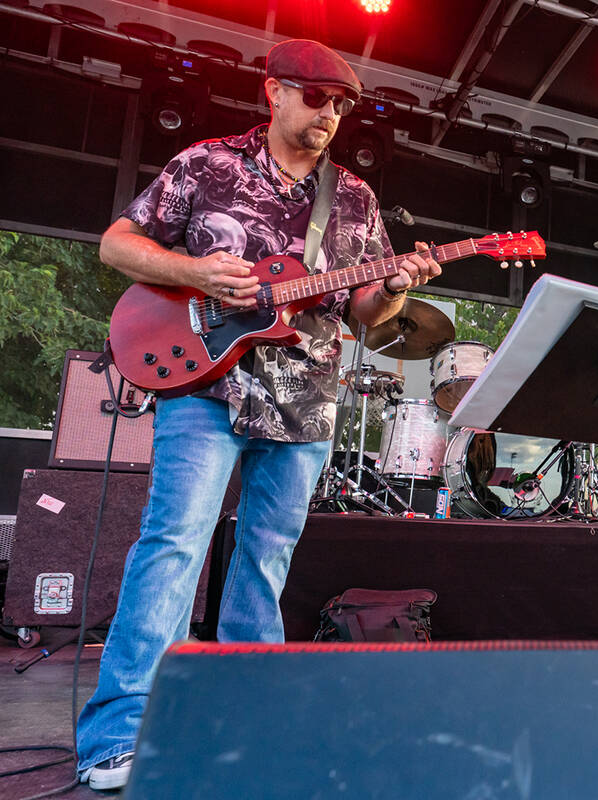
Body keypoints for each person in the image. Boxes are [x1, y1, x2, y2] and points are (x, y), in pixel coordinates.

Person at [75, 39, 441, 790]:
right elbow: (118, 245)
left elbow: (368, 316)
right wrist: (194, 271)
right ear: (273, 91)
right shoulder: (207, 163)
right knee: (174, 546)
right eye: (316, 98)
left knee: (266, 560)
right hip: (206, 387)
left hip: (306, 402)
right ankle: (121, 734)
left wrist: (398, 286)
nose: (330, 114)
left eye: (342, 104)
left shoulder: (358, 200)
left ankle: (252, 715)